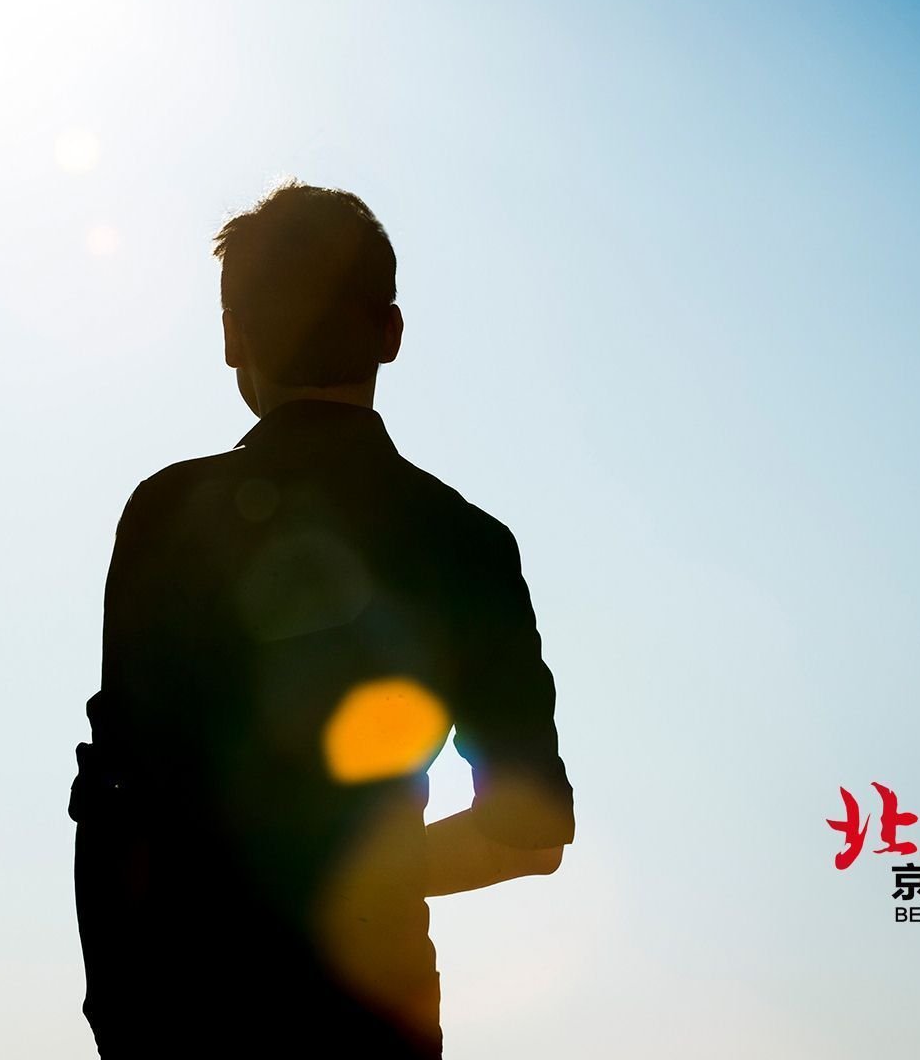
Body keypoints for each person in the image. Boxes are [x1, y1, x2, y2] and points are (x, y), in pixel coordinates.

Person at [69, 181, 576, 1058]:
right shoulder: (468, 543)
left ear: (234, 338)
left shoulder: (169, 514)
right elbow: (531, 831)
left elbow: (114, 800)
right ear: (391, 333)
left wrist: (117, 1020)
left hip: (187, 1022)